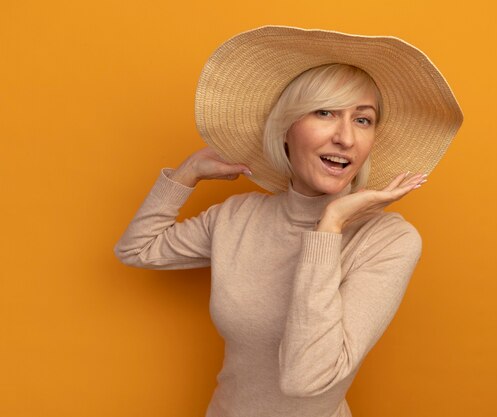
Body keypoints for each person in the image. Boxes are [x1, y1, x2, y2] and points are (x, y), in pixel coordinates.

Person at [115, 26, 462, 417]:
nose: (345, 137)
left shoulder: (388, 240)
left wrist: (329, 226)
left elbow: (305, 380)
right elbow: (137, 249)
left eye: (363, 120)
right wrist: (187, 173)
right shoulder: (237, 216)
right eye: (325, 112)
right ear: (285, 130)